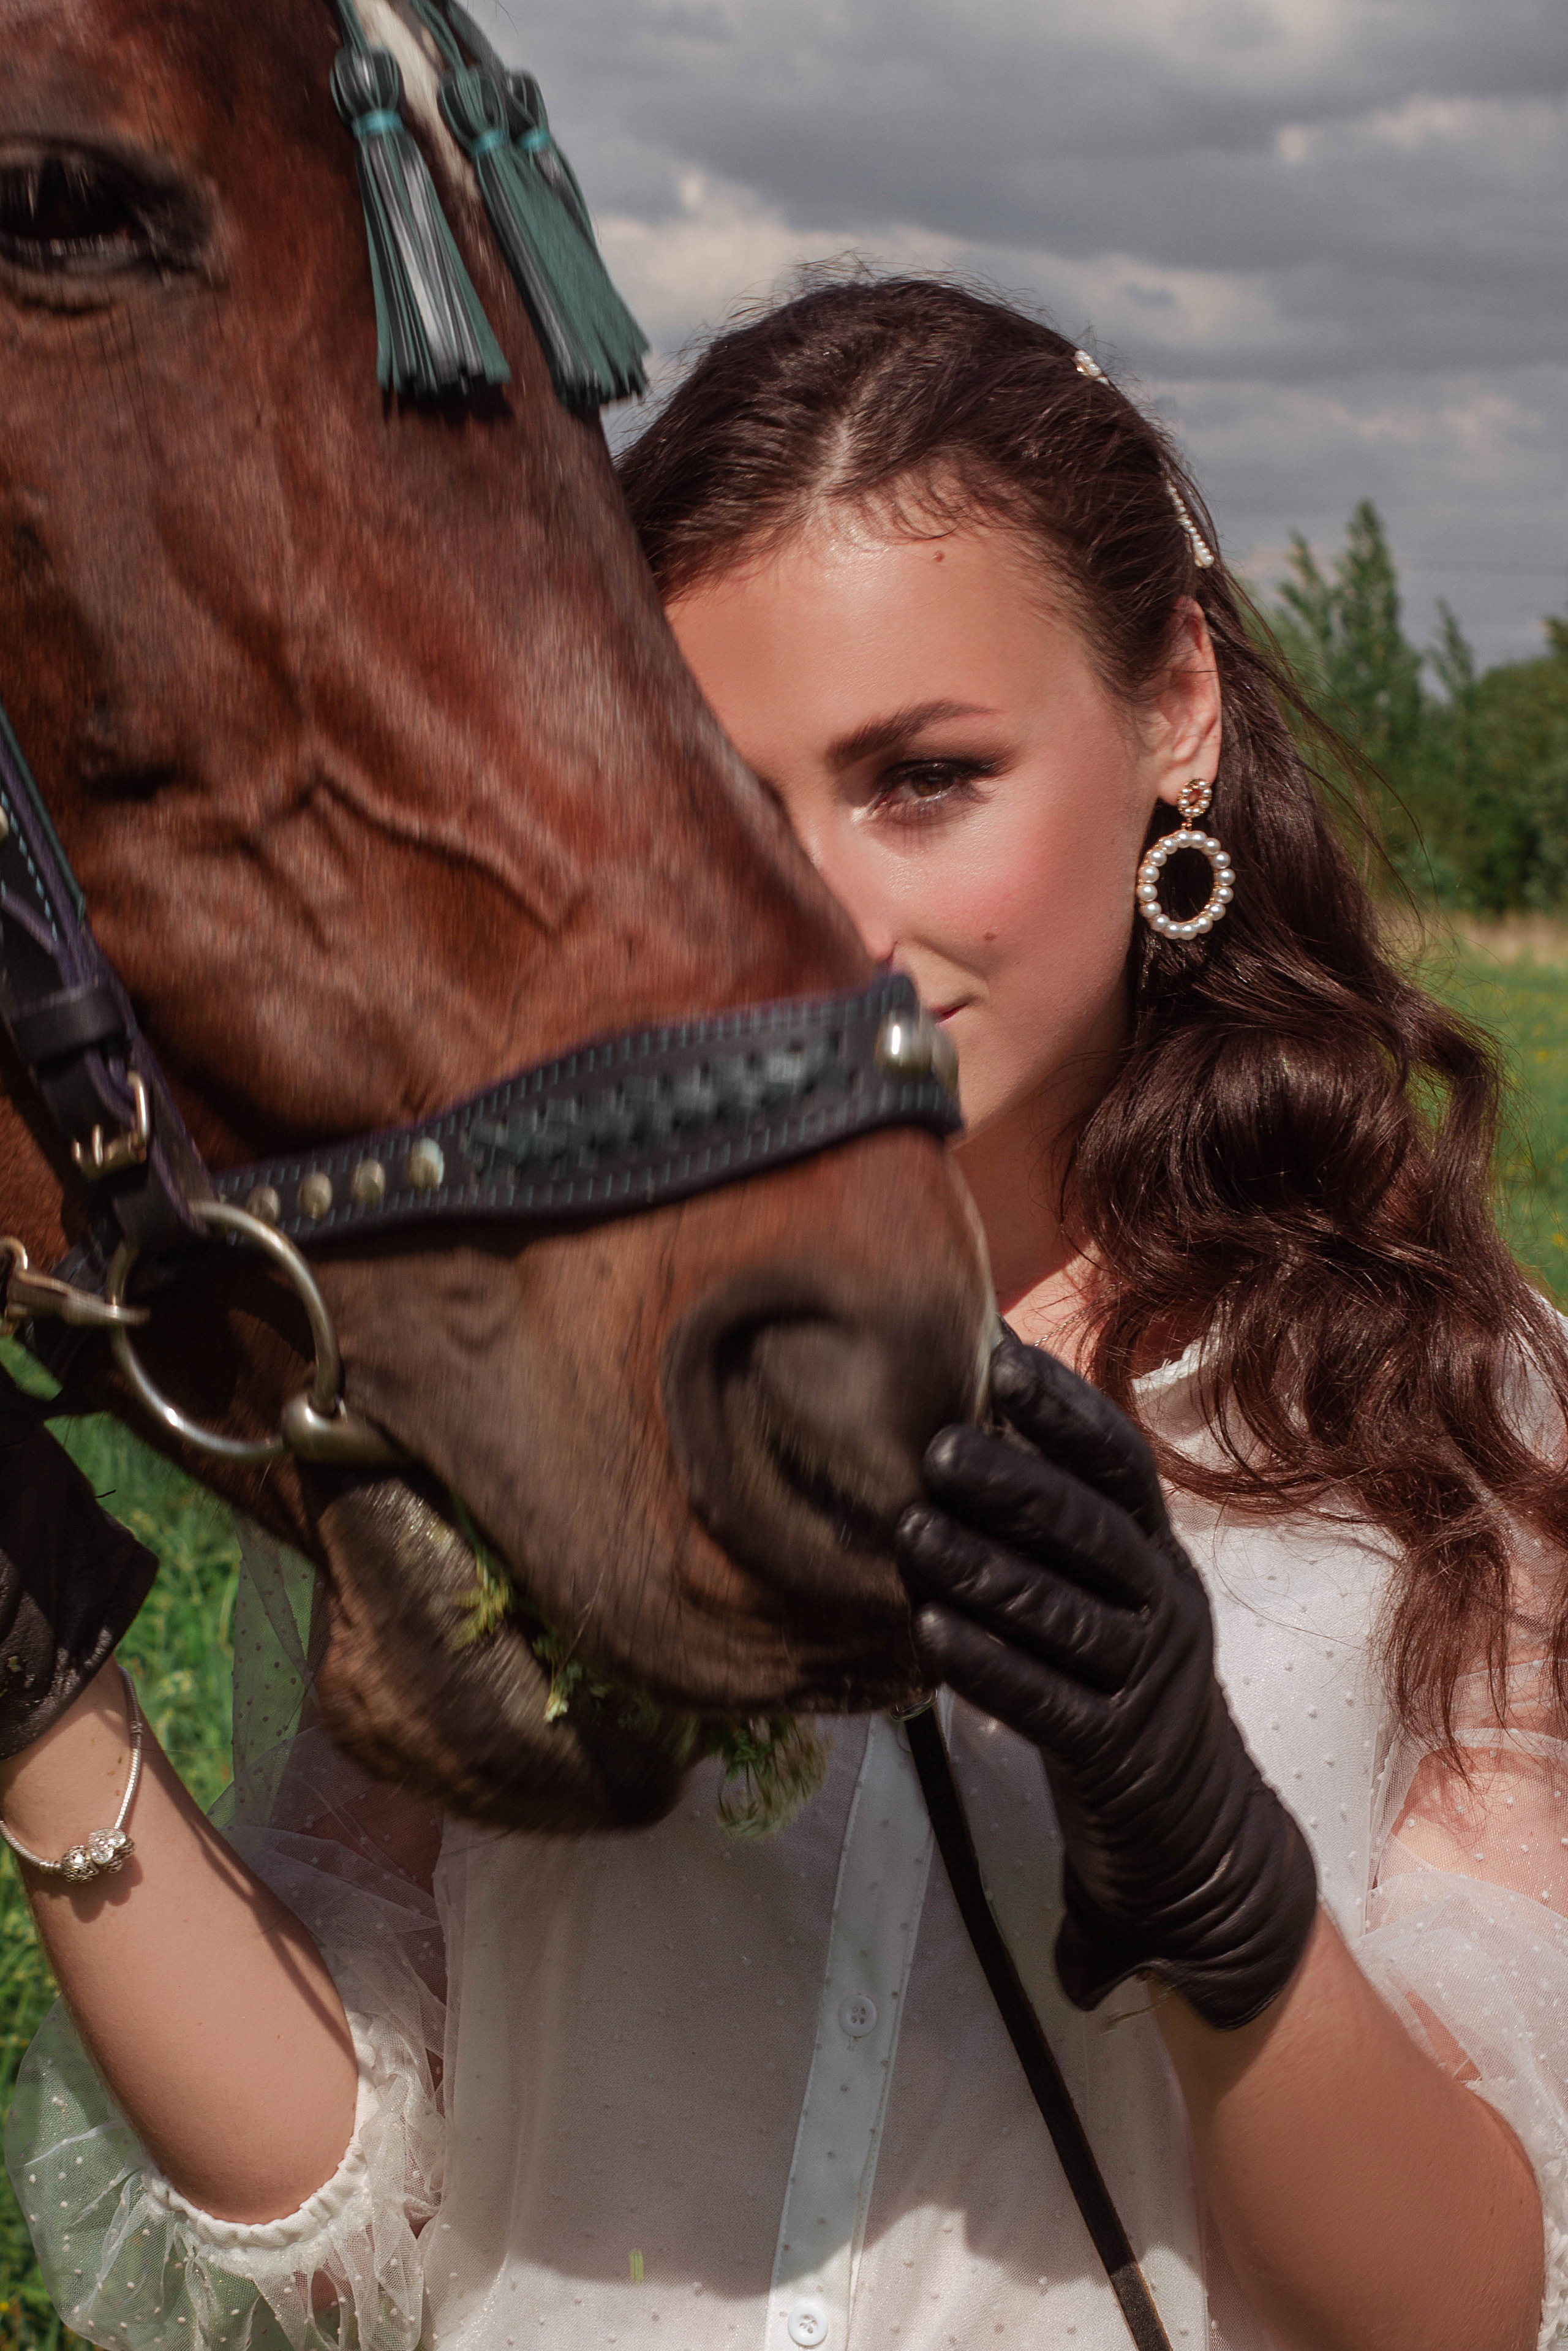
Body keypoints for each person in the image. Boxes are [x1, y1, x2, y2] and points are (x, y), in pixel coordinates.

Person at [5, 272, 1568, 2351]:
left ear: (1177, 706)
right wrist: (40, 1688)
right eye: (721, 810)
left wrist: (1220, 1886)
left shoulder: (1447, 1408)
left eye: (924, 776)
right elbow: (349, 2208)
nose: (813, 924)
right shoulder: (509, 1364)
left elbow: (1462, 2313)